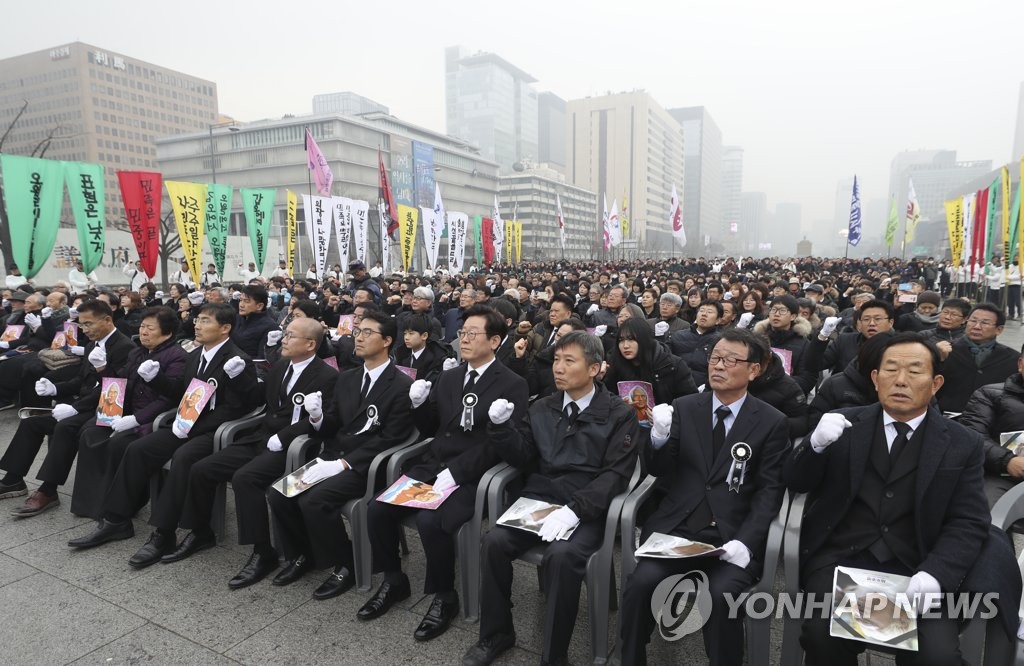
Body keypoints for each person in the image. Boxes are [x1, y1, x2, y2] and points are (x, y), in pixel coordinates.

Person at [785, 333, 1011, 665]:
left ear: (935, 383)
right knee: (823, 636)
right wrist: (814, 446)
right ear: (876, 379)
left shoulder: (963, 442)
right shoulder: (845, 423)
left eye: (915, 371)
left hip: (919, 565)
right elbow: (795, 481)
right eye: (891, 369)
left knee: (938, 655)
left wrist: (935, 573)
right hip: (842, 561)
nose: (901, 380)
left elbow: (969, 519)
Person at [462, 332, 639, 665]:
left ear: (595, 369)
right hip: (540, 500)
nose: (558, 368)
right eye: (556, 359)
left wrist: (575, 511)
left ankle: (554, 654)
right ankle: (497, 632)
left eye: (569, 361)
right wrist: (501, 428)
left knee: (561, 556)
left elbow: (615, 475)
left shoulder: (619, 414)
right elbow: (525, 456)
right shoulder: (543, 406)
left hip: (587, 508)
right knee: (494, 542)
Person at [619, 327, 791, 665]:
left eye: (730, 360)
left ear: (754, 370)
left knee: (721, 595)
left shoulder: (772, 422)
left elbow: (771, 491)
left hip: (730, 535)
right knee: (641, 585)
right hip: (678, 529)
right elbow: (660, 470)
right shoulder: (685, 407)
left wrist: (747, 541)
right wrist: (658, 437)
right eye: (714, 358)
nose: (718, 366)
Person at [359, 304, 529, 642]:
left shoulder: (513, 384)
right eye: (461, 333)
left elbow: (499, 445)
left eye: (472, 334)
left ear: (495, 341)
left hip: (474, 476)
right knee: (376, 508)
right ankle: (394, 580)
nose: (462, 340)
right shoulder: (450, 377)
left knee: (430, 521)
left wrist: (458, 471)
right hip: (434, 465)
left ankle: (444, 596)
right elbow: (432, 429)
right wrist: (420, 404)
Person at [67, 303, 262, 557]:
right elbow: (179, 393)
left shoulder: (237, 360)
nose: (197, 325)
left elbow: (238, 408)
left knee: (183, 458)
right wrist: (155, 379)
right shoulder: (195, 355)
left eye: (205, 321)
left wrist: (195, 424)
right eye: (198, 320)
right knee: (138, 449)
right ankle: (116, 520)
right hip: (186, 423)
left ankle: (164, 533)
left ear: (225, 328)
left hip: (212, 430)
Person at [156, 317, 339, 582]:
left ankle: (263, 552)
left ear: (310, 344)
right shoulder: (280, 366)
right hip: (262, 437)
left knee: (246, 479)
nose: (284, 340)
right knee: (202, 469)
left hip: (294, 448)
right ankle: (200, 531)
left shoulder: (327, 376)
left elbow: (323, 421)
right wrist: (239, 377)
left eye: (290, 336)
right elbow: (256, 400)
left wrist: (287, 435)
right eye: (285, 334)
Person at [265, 311, 415, 596]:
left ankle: (346, 563)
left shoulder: (401, 385)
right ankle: (304, 554)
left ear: (387, 341)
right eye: (358, 331)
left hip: (367, 466)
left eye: (367, 333)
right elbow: (333, 422)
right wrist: (319, 417)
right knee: (280, 493)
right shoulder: (347, 378)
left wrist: (344, 464)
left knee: (315, 501)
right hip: (333, 456)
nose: (358, 337)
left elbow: (390, 439)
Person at [0, 300, 135, 513]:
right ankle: (13, 479)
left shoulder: (125, 347)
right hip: (85, 403)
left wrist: (76, 407)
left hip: (108, 408)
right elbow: (82, 381)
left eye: (89, 324)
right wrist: (55, 388)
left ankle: (48, 489)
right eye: (82, 324)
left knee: (65, 427)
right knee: (31, 422)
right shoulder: (93, 344)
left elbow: (114, 390)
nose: (85, 329)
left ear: (107, 320)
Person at [70, 307, 189, 519]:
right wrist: (102, 368)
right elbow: (119, 383)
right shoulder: (137, 352)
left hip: (150, 420)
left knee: (119, 444)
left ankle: (120, 507)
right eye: (142, 326)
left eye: (150, 328)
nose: (143, 332)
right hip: (125, 411)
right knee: (90, 433)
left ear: (167, 331)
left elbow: (170, 397)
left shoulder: (177, 357)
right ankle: (91, 502)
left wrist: (137, 418)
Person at [959, 345, 1024, 507]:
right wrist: (1007, 461)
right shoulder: (989, 394)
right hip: (1000, 475)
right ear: (1021, 363)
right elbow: (972, 435)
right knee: (986, 511)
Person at [935, 303, 1019, 413]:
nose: (977, 326)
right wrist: (937, 359)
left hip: (990, 420)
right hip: (946, 417)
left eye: (985, 323)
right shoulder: (945, 351)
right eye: (973, 321)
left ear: (999, 329)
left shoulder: (1013, 359)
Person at [603, 317, 697, 406]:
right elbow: (605, 398)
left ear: (644, 340)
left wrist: (668, 413)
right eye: (621, 340)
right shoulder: (614, 363)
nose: (625, 345)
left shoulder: (672, 365)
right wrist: (600, 380)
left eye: (631, 339)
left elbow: (690, 400)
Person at [751, 294, 816, 394]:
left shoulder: (804, 344)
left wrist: (778, 384)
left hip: (785, 398)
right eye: (773, 310)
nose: (776, 314)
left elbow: (807, 379)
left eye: (782, 310)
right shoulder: (756, 338)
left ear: (793, 316)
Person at [394, 313, 450, 384]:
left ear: (424, 336)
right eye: (405, 333)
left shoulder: (436, 359)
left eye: (411, 333)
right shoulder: (400, 354)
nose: (406, 337)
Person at [231, 284, 278, 357]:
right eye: (240, 300)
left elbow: (262, 360)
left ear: (259, 306)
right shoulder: (237, 318)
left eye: (246, 301)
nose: (241, 305)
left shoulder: (270, 327)